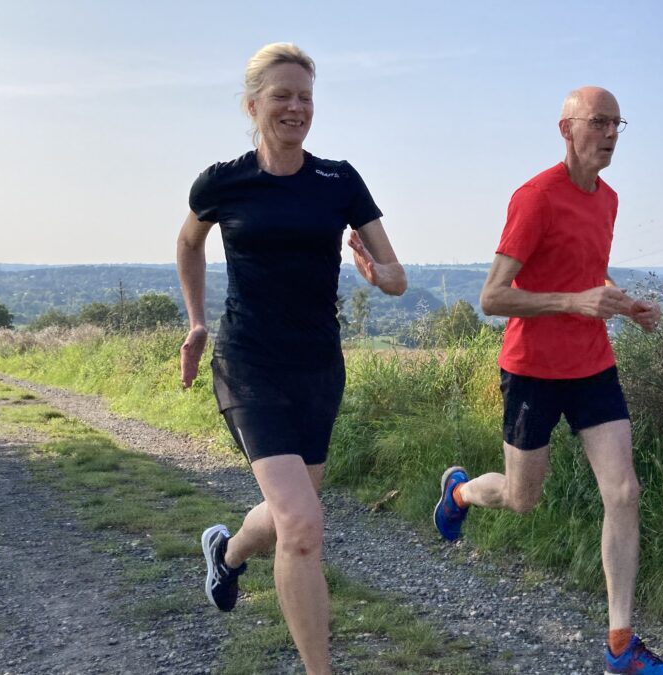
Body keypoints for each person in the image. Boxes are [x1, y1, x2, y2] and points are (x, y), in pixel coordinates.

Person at [433, 87, 663, 675]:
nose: (610, 134)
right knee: (522, 500)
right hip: (532, 372)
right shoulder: (535, 197)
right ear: (566, 129)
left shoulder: (609, 199)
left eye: (617, 124)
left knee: (624, 492)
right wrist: (576, 302)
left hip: (593, 366)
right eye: (598, 122)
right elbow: (493, 297)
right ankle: (461, 493)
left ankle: (620, 646)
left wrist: (624, 307)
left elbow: (587, 276)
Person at [177, 42, 406, 675]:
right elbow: (188, 243)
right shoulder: (223, 181)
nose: (296, 107)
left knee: (291, 513)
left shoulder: (340, 180)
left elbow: (397, 277)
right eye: (282, 95)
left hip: (317, 367)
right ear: (253, 106)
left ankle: (225, 555)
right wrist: (197, 323)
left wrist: (373, 270)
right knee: (304, 525)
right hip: (248, 362)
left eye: (305, 96)